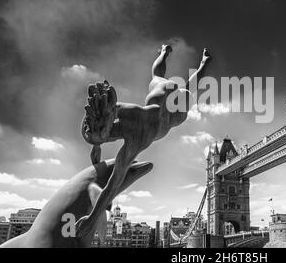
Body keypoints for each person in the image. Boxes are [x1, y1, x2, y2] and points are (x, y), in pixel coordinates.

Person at [76, 45, 211, 237]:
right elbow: (104, 115)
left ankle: (194, 60)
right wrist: (96, 142)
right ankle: (167, 52)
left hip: (173, 115)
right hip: (161, 94)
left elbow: (113, 184)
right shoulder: (124, 110)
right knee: (158, 76)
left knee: (189, 89)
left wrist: (92, 218)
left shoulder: (136, 141)